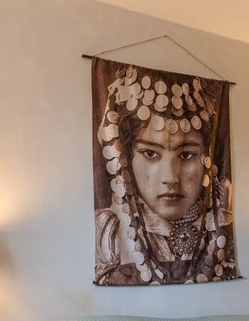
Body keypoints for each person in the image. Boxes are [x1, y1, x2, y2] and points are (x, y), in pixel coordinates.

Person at [92, 61, 239, 286]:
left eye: (187, 155)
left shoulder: (221, 222)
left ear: (206, 159)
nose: (170, 178)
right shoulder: (109, 235)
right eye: (150, 153)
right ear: (126, 158)